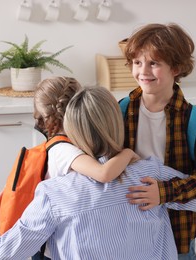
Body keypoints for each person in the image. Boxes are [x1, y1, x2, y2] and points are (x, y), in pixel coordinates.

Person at [0, 86, 196, 260]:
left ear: (71, 133)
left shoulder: (54, 195)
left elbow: (0, 255)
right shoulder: (152, 177)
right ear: (118, 122)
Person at [122, 23, 196, 259]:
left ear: (176, 68)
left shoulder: (194, 119)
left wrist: (164, 192)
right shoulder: (121, 110)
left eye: (153, 63)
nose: (143, 71)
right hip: (131, 223)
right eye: (137, 62)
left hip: (178, 228)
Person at [30, 77, 140, 260]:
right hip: (53, 251)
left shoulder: (68, 144)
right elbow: (103, 174)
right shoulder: (64, 150)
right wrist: (127, 153)